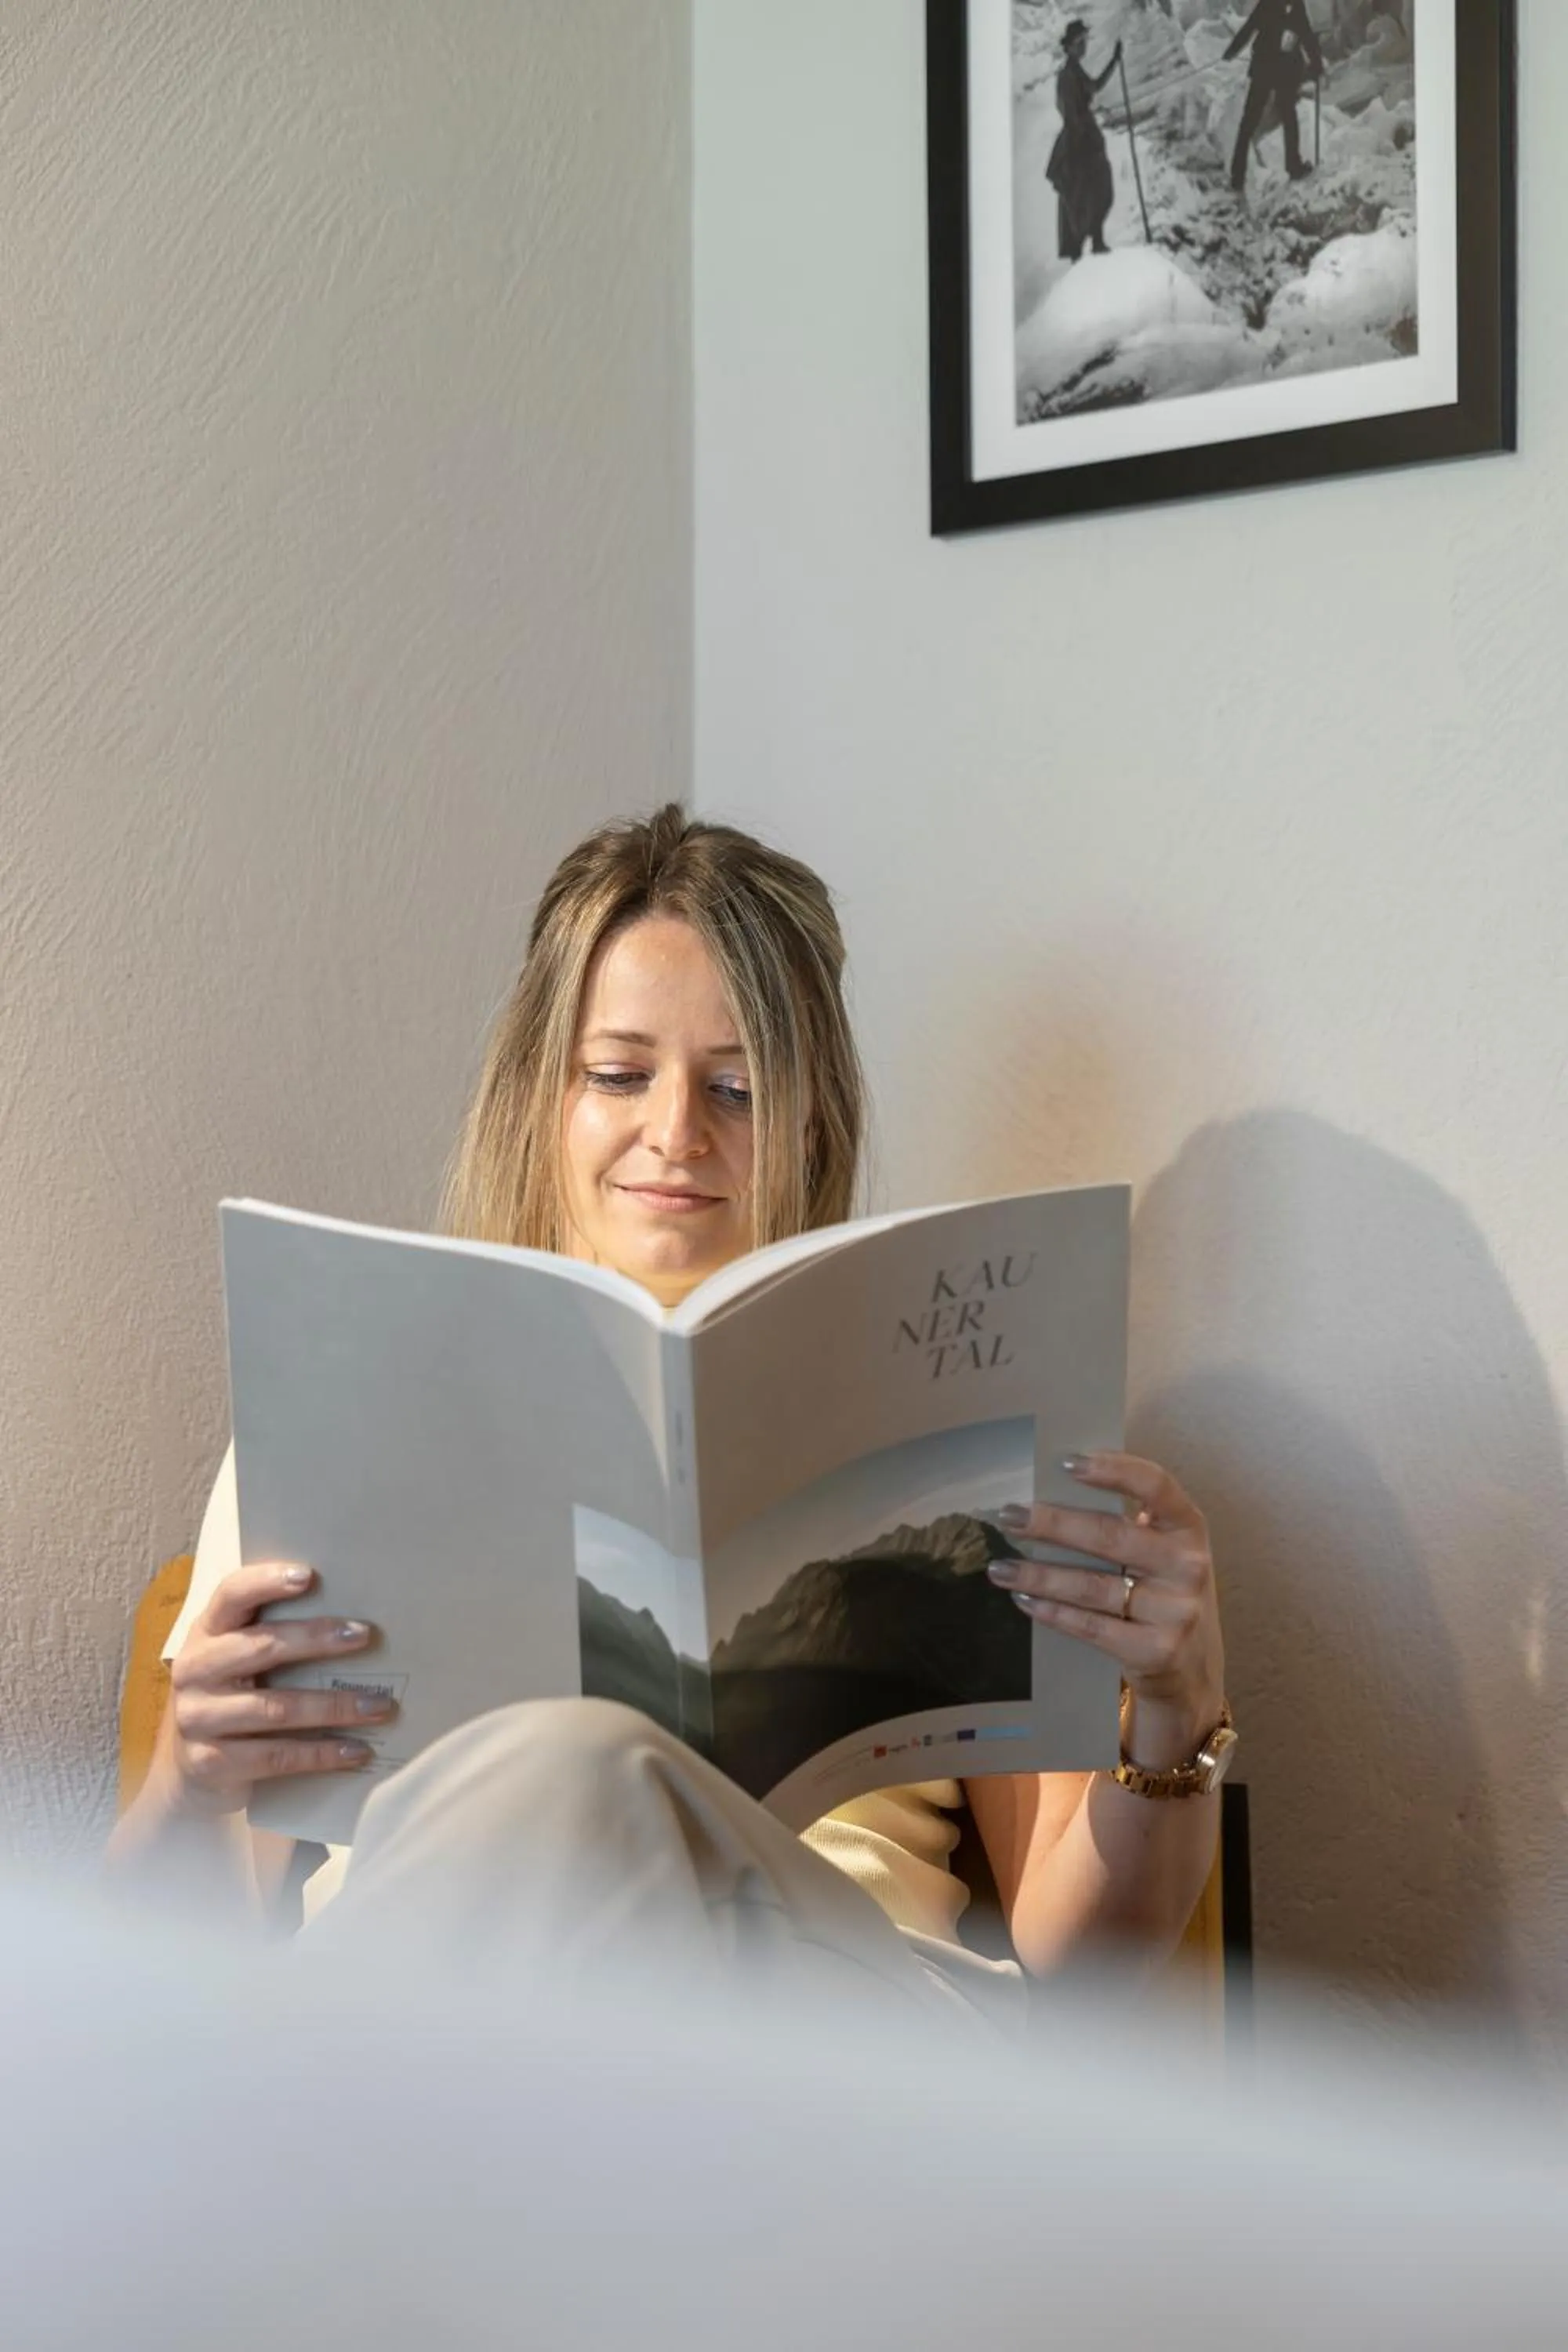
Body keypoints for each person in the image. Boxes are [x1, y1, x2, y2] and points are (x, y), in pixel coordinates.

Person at [107, 807, 1230, 2034]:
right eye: (619, 1074)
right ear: (541, 1097)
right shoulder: (345, 1421)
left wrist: (1179, 1707)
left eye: (738, 1088)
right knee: (535, 1810)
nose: (678, 1133)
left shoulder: (957, 1425)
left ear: (812, 1120)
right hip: (419, 2020)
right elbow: (162, 1985)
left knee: (581, 1762)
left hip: (827, 2028)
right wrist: (191, 1782)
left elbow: (1086, 1967)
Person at [1226, 0, 1326, 194]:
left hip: (1271, 69)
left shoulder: (1275, 4)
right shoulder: (1287, 4)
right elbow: (1305, 33)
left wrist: (1232, 51)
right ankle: (1292, 166)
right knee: (1284, 116)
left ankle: (1238, 176)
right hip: (1278, 69)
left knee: (1253, 120)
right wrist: (1316, 64)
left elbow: (1250, 28)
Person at [1046, 21, 1123, 263]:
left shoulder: (1076, 71)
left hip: (1085, 137)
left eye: (1084, 42)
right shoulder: (1066, 76)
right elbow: (1069, 111)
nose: (1083, 47)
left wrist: (1114, 61)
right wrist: (1081, 133)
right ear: (1069, 47)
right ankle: (1080, 248)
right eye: (1079, 43)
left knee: (1097, 189)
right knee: (1079, 193)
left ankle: (1095, 241)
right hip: (1077, 141)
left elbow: (1095, 86)